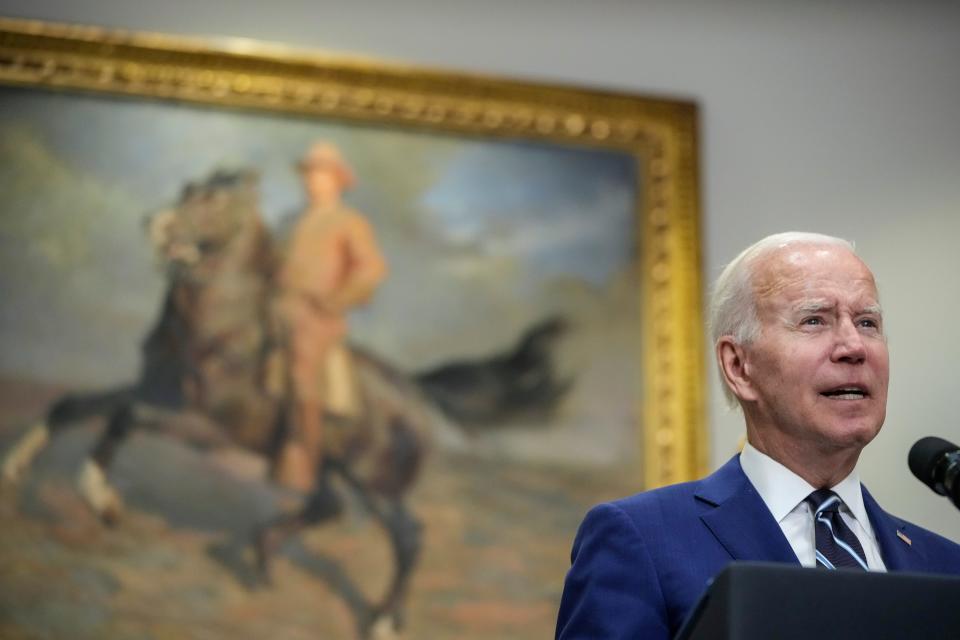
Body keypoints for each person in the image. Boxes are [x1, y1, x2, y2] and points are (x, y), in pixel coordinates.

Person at [556, 232, 960, 639]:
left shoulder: (946, 564)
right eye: (814, 320)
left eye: (867, 322)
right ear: (738, 366)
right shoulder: (642, 540)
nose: (854, 346)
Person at [273, 141, 388, 493]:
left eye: (321, 175)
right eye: (309, 174)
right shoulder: (290, 221)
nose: (313, 181)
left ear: (337, 180)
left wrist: (336, 299)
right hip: (278, 306)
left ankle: (304, 464)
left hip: (316, 316)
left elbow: (371, 269)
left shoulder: (349, 222)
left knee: (301, 371)